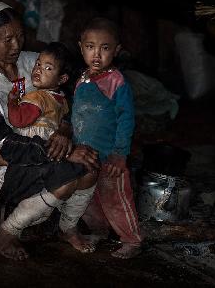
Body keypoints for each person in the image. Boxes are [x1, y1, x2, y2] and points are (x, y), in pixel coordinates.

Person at [0, 0, 99, 261]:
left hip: (44, 146)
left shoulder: (34, 61)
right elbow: (2, 141)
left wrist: (65, 133)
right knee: (66, 179)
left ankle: (66, 228)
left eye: (20, 36)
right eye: (7, 39)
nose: (17, 45)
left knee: (90, 169)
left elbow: (65, 104)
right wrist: (61, 153)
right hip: (1, 162)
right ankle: (6, 233)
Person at [0, 42, 96, 210]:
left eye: (48, 68)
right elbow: (65, 119)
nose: (38, 70)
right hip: (50, 146)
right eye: (38, 64)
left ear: (62, 78)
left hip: (30, 145)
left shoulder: (38, 97)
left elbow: (18, 120)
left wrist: (12, 102)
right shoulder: (62, 99)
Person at [72, 17, 142, 259]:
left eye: (105, 48)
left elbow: (126, 120)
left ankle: (131, 239)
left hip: (111, 158)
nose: (97, 55)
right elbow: (77, 117)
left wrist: (119, 153)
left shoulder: (116, 82)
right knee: (88, 199)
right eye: (90, 47)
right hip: (86, 158)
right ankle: (100, 231)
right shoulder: (82, 80)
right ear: (81, 47)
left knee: (116, 200)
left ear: (117, 50)